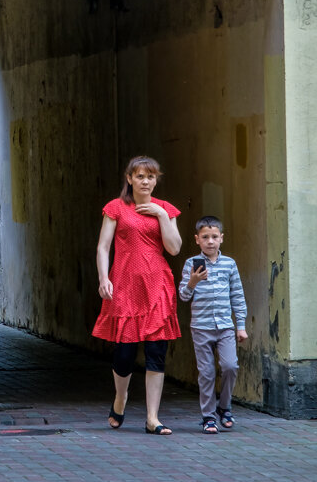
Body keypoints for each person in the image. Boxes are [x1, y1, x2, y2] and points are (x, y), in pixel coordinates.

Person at [92, 156, 183, 435]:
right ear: (129, 178)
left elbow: (175, 248)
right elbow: (103, 247)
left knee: (156, 352)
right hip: (125, 285)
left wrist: (159, 215)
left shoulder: (165, 209)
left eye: (151, 177)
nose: (146, 181)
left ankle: (152, 417)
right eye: (140, 176)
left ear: (157, 180)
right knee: (124, 354)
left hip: (157, 286)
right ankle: (121, 398)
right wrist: (103, 277)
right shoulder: (116, 208)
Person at [178, 215, 248, 434]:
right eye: (205, 237)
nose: (210, 241)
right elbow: (183, 295)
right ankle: (208, 416)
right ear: (197, 239)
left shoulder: (230, 264)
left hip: (225, 326)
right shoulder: (192, 264)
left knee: (230, 366)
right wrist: (193, 281)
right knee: (206, 373)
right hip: (201, 327)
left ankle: (224, 407)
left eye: (214, 237)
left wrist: (241, 325)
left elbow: (237, 294)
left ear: (221, 238)